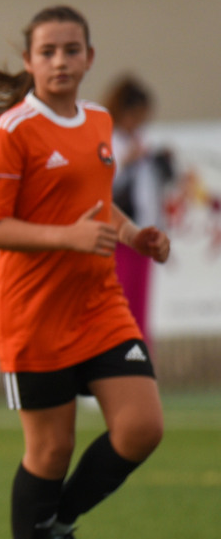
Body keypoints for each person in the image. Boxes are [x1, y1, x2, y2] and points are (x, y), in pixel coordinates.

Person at [0, 6, 170, 539]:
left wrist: (132, 236)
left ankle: (59, 525)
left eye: (72, 50)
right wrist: (66, 238)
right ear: (29, 62)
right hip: (34, 313)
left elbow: (98, 206)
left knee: (142, 428)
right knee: (51, 451)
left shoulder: (99, 121)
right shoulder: (13, 131)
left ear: (90, 58)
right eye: (47, 51)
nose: (61, 61)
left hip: (100, 305)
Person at [102, 74, 176, 343]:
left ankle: (139, 355)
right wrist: (127, 160)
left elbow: (152, 191)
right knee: (121, 303)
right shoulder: (109, 141)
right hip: (118, 236)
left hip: (141, 231)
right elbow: (101, 186)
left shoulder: (142, 141)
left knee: (139, 305)